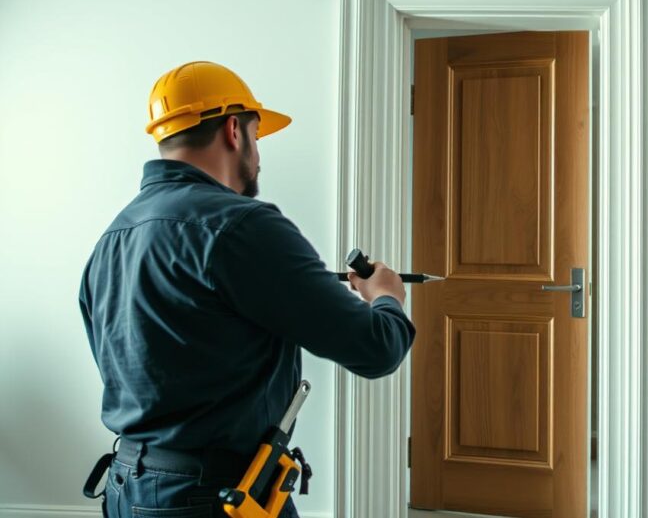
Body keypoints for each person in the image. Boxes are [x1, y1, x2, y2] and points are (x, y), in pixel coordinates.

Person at [79, 61, 414, 518]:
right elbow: (377, 349)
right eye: (258, 136)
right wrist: (387, 295)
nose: (259, 155)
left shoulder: (112, 238)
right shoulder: (242, 226)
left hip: (128, 490)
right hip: (213, 497)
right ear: (234, 130)